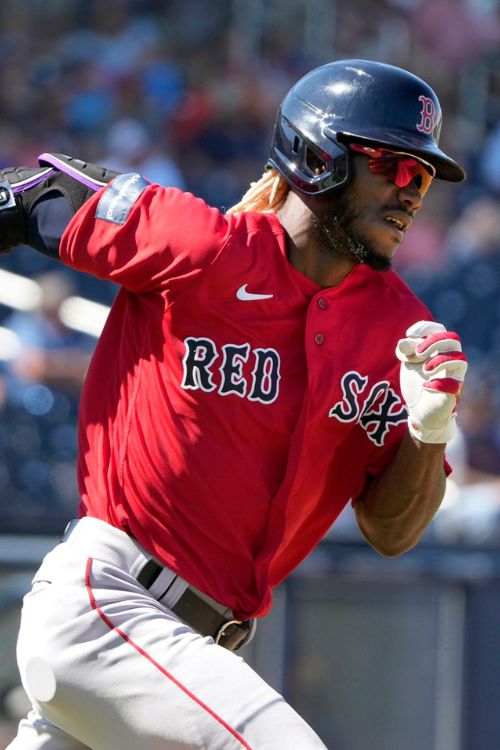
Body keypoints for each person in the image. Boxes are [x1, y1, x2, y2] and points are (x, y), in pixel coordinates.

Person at [1, 59, 467, 749]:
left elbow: (392, 533)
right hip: (110, 605)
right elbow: (28, 194)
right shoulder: (198, 247)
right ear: (319, 153)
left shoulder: (401, 333)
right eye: (394, 168)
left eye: (423, 178)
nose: (411, 194)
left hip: (196, 657)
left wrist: (428, 433)